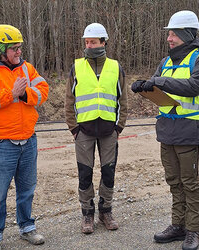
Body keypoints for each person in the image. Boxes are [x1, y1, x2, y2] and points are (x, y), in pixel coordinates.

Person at [132, 10, 199, 250]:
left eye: (174, 34)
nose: (169, 38)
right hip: (167, 130)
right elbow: (157, 84)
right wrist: (143, 86)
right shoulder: (167, 61)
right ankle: (177, 225)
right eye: (169, 34)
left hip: (190, 130)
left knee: (189, 182)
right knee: (174, 180)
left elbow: (194, 86)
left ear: (187, 35)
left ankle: (193, 230)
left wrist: (157, 82)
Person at [0, 24, 49, 249]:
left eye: (19, 48)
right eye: (14, 48)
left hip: (28, 140)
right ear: (0, 50)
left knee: (27, 190)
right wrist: (11, 93)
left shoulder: (27, 68)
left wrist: (24, 93)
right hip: (0, 143)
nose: (19, 52)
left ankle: (26, 227)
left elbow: (43, 91)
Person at [64, 23, 127, 234]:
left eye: (93, 42)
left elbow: (122, 99)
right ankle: (87, 214)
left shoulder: (116, 67)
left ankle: (105, 210)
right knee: (85, 173)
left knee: (108, 173)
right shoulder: (77, 67)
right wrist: (74, 128)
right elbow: (69, 100)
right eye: (86, 42)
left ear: (103, 42)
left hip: (109, 131)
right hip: (84, 131)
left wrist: (119, 127)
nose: (89, 46)